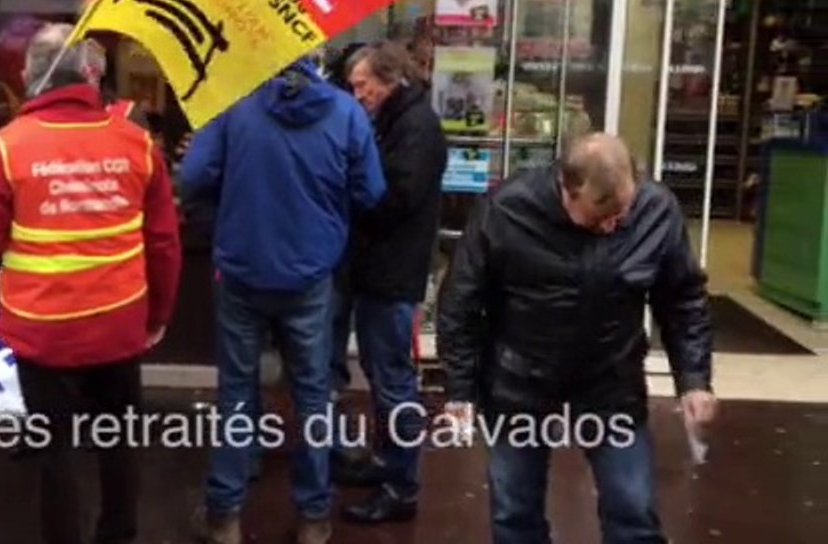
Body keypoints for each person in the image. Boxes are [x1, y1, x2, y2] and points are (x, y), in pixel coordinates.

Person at [0, 23, 182, 544]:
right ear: (90, 74)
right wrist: (159, 315)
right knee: (118, 441)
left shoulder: (4, 149)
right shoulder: (138, 144)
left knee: (55, 454)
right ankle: (118, 533)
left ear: (32, 77)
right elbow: (164, 242)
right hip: (119, 323)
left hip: (41, 331)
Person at [437, 132, 716, 544]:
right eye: (598, 217)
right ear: (566, 191)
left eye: (621, 215)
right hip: (519, 379)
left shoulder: (656, 210)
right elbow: (460, 302)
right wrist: (460, 391)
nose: (611, 226)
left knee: (634, 511)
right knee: (515, 514)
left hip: (610, 380)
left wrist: (693, 379)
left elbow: (683, 298)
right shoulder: (507, 210)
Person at [180, 58, 385, 544]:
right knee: (313, 396)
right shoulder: (345, 112)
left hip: (241, 272)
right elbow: (372, 191)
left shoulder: (233, 103)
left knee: (236, 394)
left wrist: (223, 217)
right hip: (311, 275)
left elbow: (192, 177)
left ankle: (225, 516)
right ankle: (314, 518)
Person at [337, 41, 448, 523]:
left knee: (395, 382)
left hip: (394, 273)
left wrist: (357, 189)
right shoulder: (394, 120)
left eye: (363, 85)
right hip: (380, 269)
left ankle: (402, 485)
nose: (356, 93)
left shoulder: (416, 127)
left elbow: (397, 198)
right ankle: (387, 464)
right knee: (384, 379)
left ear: (388, 80)